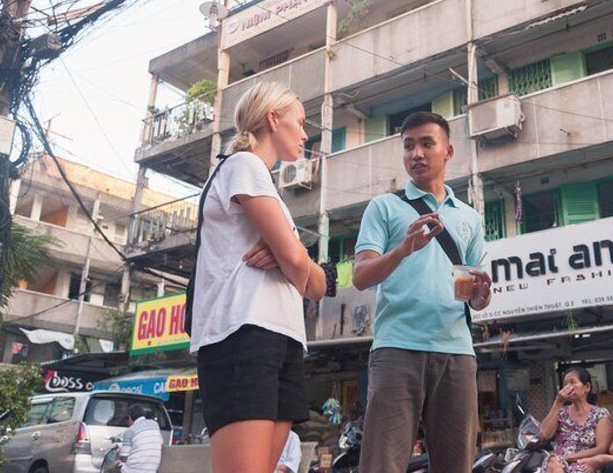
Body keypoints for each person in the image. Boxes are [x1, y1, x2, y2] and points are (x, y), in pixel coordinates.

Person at [190, 81, 326, 473]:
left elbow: (317, 285)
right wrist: (293, 258)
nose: (305, 133)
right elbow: (298, 265)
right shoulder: (243, 165)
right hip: (242, 334)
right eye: (299, 122)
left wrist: (293, 258)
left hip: (282, 337)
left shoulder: (268, 188)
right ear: (272, 119)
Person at [352, 111, 492, 473]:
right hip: (396, 348)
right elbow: (361, 276)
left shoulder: (470, 217)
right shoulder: (384, 207)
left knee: (456, 465)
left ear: (448, 150)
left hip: (457, 352)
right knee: (382, 464)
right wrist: (402, 249)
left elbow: (475, 296)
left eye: (427, 143)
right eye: (409, 145)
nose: (417, 153)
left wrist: (481, 294)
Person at [539, 367, 613, 473]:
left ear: (587, 387)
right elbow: (544, 434)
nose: (568, 387)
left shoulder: (600, 414)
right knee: (553, 464)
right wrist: (558, 402)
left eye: (573, 382)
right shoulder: (561, 413)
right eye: (565, 384)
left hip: (587, 464)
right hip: (558, 465)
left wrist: (568, 457)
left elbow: (602, 449)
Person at [118, 404, 163, 473]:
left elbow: (124, 457)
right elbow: (161, 442)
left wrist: (119, 452)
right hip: (152, 469)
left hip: (132, 470)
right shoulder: (154, 424)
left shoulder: (130, 431)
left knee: (112, 466)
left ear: (129, 418)